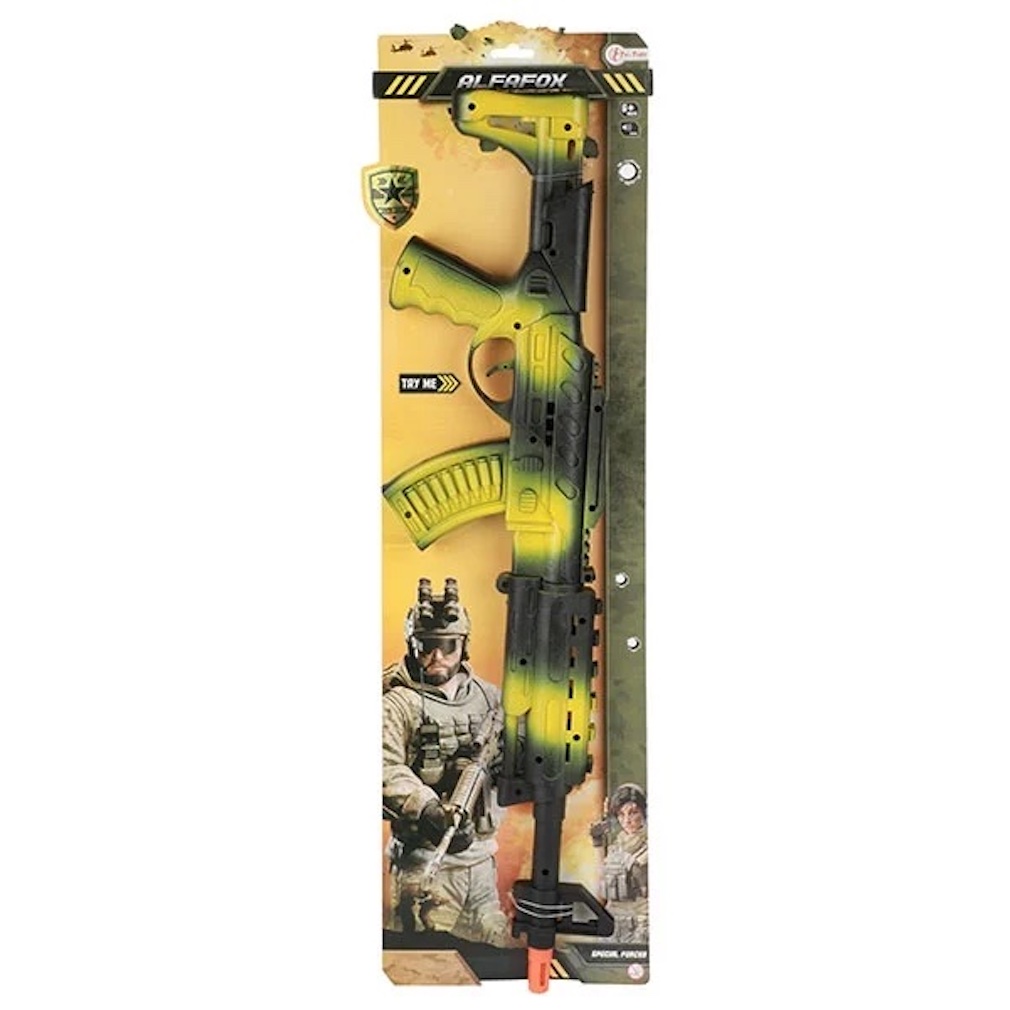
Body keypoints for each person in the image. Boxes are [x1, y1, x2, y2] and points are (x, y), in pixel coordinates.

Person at [382, 576, 513, 946]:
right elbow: (383, 766)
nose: (437, 656)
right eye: (427, 646)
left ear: (463, 646)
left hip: (482, 859)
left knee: (493, 948)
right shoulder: (398, 703)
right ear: (412, 644)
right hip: (424, 862)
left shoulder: (490, 698)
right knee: (426, 961)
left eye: (447, 645)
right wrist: (427, 809)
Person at [590, 783, 649, 943]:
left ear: (643, 812)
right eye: (621, 814)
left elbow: (638, 872)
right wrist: (598, 843)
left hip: (640, 923)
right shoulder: (617, 846)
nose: (627, 820)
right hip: (612, 921)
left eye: (633, 813)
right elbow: (602, 883)